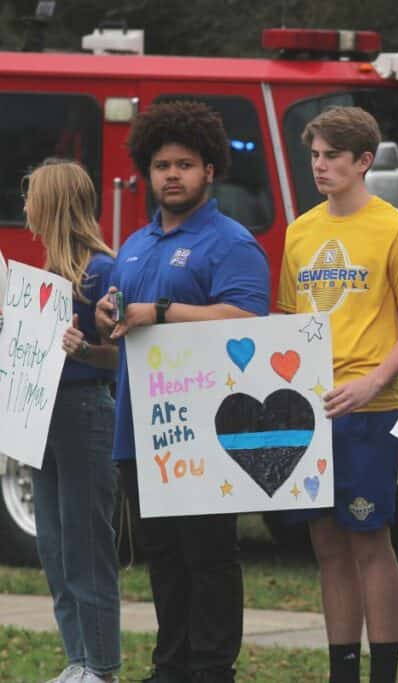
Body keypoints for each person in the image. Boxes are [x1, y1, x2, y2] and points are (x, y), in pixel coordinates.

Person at [95, 100, 271, 683]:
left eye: (184, 165)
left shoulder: (232, 242)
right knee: (164, 558)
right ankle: (169, 668)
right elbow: (126, 319)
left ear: (209, 170)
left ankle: (212, 670)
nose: (172, 175)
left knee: (209, 556)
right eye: (162, 166)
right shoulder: (134, 244)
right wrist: (106, 315)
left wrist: (162, 310)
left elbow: (249, 320)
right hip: (139, 426)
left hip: (205, 430)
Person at [278, 105, 398, 683]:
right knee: (326, 545)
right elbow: (289, 322)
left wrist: (374, 380)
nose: (320, 166)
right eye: (314, 156)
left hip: (370, 409)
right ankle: (342, 670)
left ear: (364, 160)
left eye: (332, 157)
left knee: (370, 539)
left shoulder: (396, 230)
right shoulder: (300, 231)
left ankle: (383, 672)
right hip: (311, 410)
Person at [23, 160, 121, 683]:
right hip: (41, 412)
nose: (26, 208)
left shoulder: (102, 272)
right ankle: (77, 658)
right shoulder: (46, 276)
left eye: (32, 197)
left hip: (83, 409)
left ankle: (100, 665)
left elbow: (120, 356)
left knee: (85, 544)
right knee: (55, 547)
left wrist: (83, 350)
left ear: (53, 204)